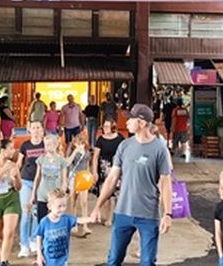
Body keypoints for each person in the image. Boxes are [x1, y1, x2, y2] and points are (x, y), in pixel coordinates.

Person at [90, 104, 173, 266]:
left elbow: (165, 183)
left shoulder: (160, 149)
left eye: (130, 119)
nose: (126, 122)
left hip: (148, 215)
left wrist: (168, 214)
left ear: (141, 123)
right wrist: (97, 206)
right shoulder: (125, 146)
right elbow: (112, 179)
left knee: (147, 261)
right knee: (114, 259)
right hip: (123, 212)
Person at [34, 188, 94, 266]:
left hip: (63, 260)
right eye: (59, 206)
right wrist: (39, 255)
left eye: (64, 206)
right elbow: (39, 237)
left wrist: (91, 219)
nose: (62, 209)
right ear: (49, 206)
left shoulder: (67, 218)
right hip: (47, 261)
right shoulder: (44, 222)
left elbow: (79, 220)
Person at [18, 120, 46, 258]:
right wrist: (15, 178)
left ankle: (34, 240)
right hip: (26, 181)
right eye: (33, 128)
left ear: (42, 130)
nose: (35, 130)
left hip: (41, 183)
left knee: (36, 213)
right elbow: (19, 163)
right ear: (29, 130)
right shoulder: (25, 145)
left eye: (38, 127)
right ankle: (23, 244)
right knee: (26, 212)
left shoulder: (45, 145)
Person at [91, 119, 125, 226]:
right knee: (106, 195)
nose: (105, 128)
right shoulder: (100, 140)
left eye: (107, 126)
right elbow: (95, 157)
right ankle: (108, 218)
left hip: (117, 169)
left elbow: (125, 153)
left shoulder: (120, 138)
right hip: (104, 170)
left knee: (118, 194)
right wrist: (94, 172)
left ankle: (117, 216)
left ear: (113, 127)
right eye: (104, 126)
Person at [32, 134, 67, 224]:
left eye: (50, 144)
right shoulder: (41, 159)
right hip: (42, 194)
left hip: (55, 195)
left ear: (55, 145)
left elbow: (64, 180)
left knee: (56, 220)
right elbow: (37, 177)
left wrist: (63, 192)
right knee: (41, 221)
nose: (48, 147)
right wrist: (33, 194)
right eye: (46, 145)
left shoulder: (61, 161)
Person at [66, 133, 93, 237]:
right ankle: (74, 224)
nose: (80, 145)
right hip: (74, 176)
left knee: (84, 202)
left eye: (82, 142)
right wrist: (75, 152)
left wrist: (89, 176)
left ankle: (85, 225)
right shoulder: (71, 150)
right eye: (78, 143)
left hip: (83, 177)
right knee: (73, 200)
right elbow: (68, 163)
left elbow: (87, 164)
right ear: (74, 143)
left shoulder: (87, 152)